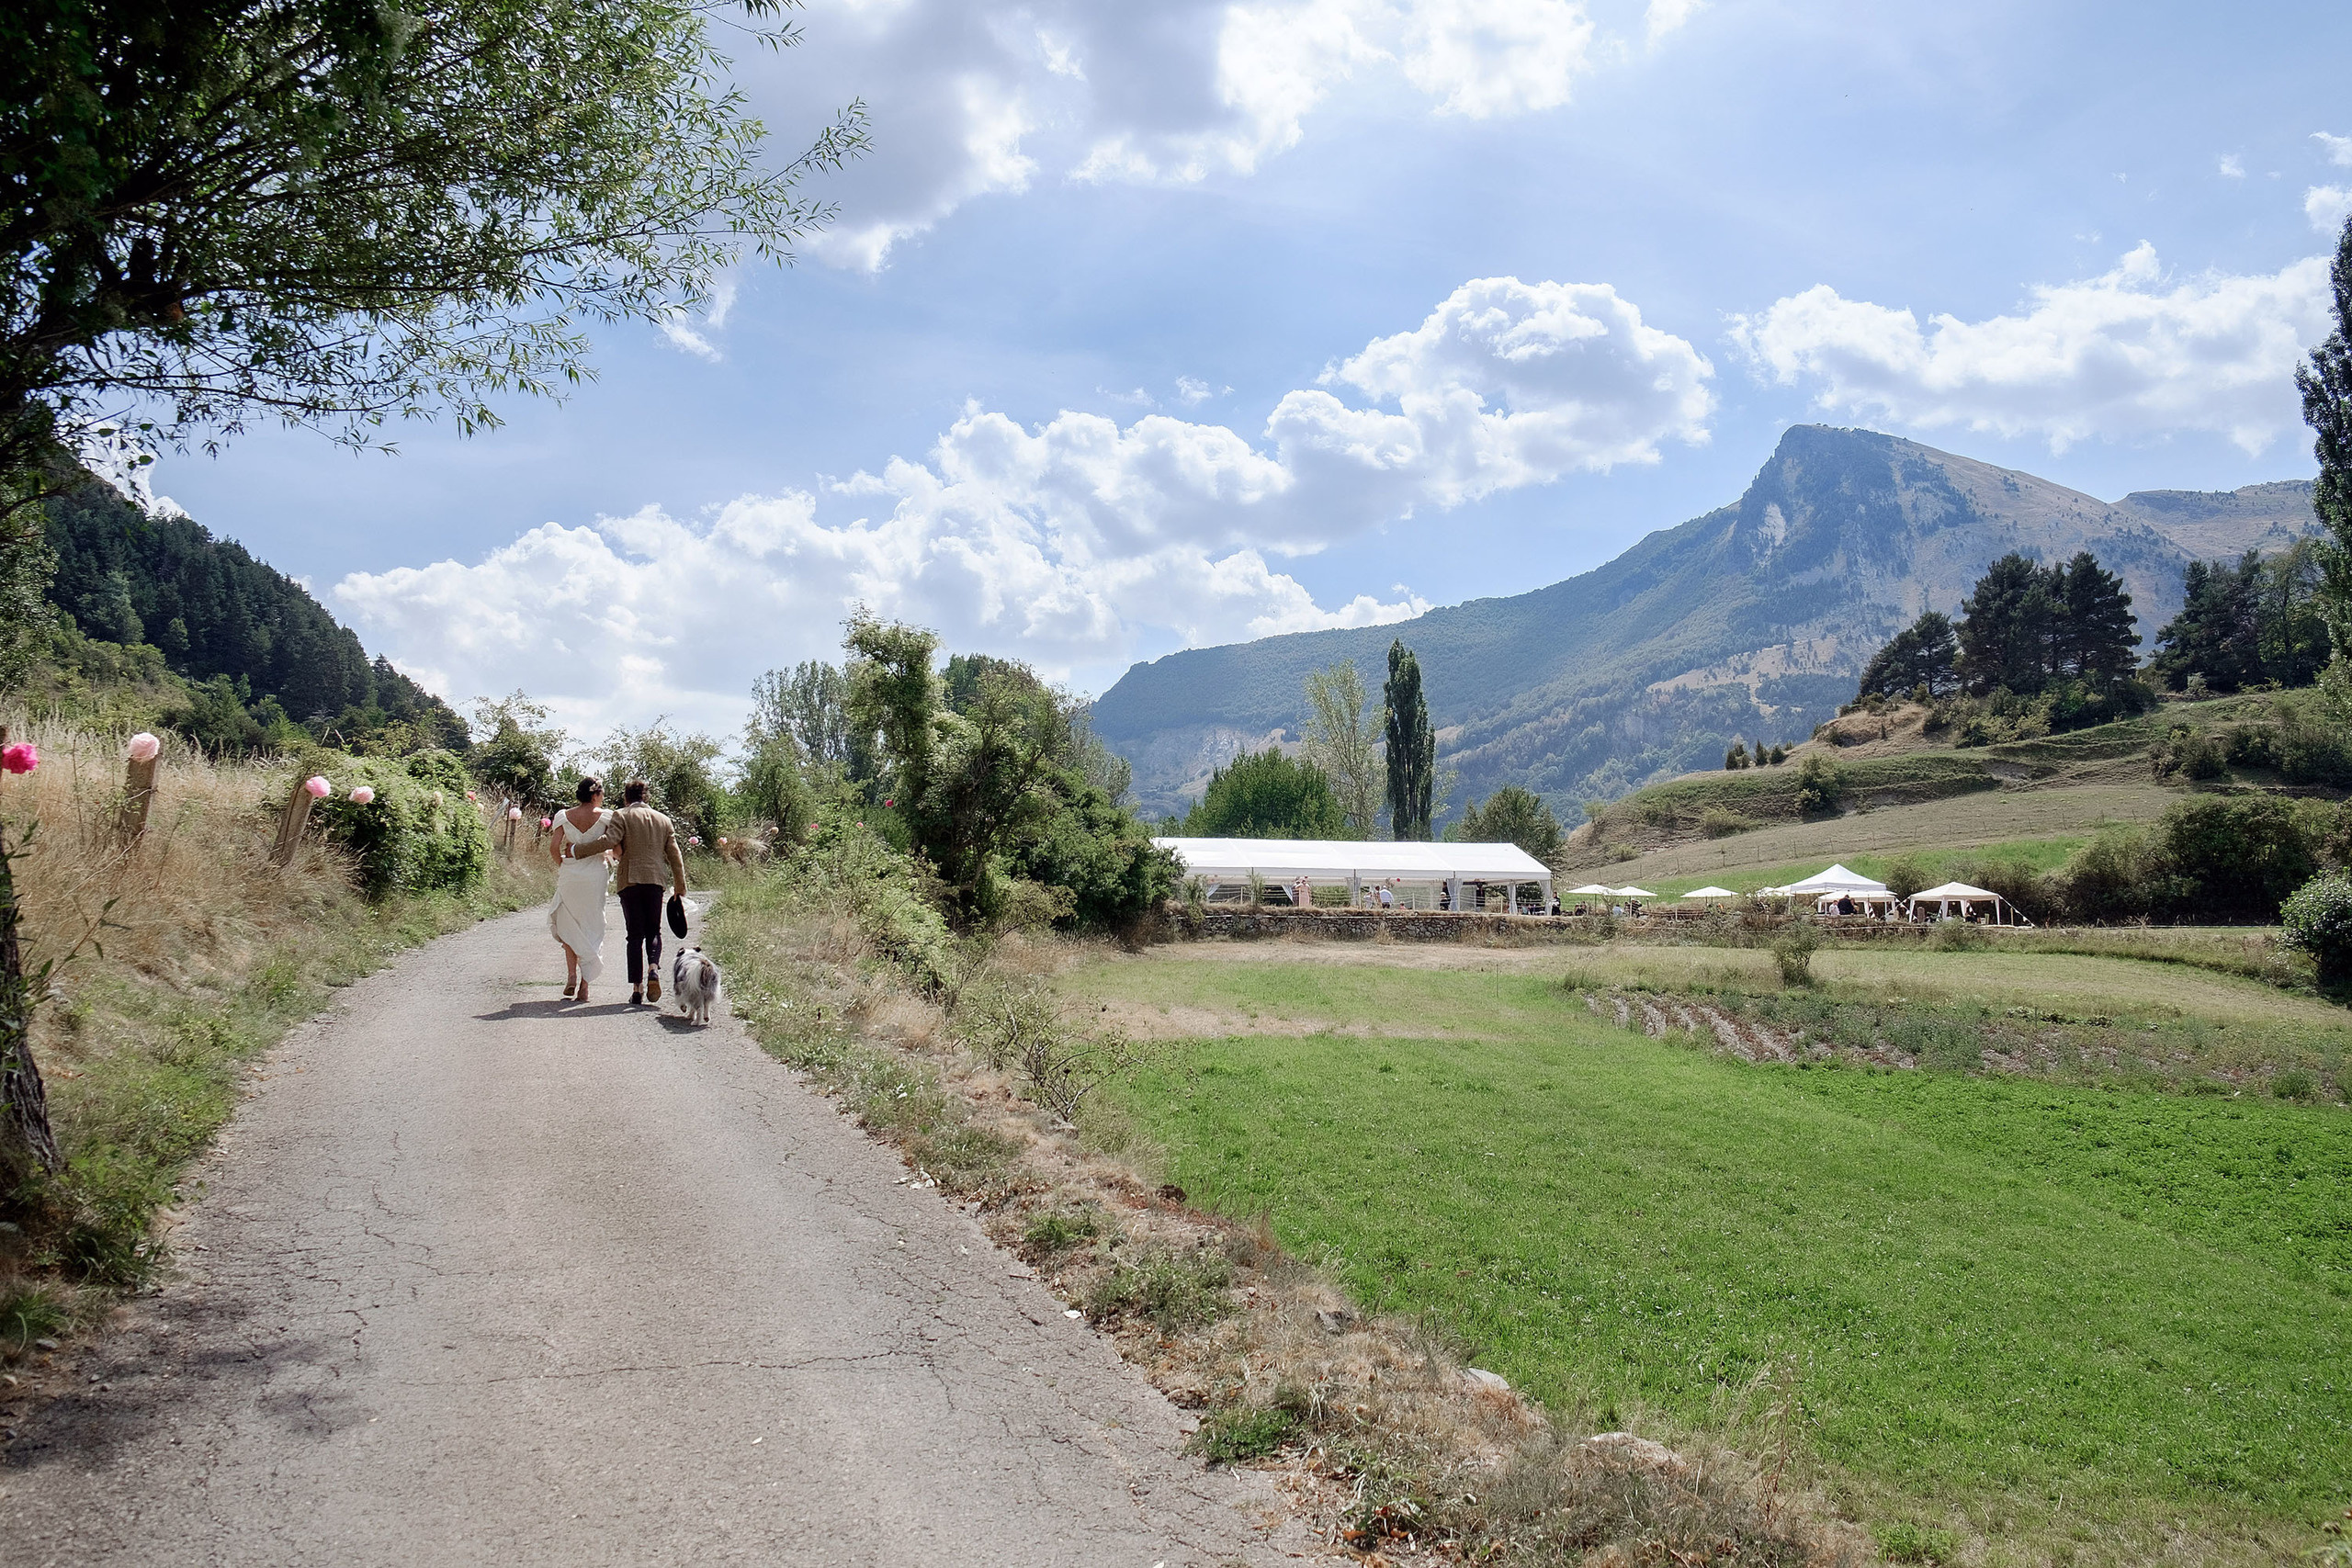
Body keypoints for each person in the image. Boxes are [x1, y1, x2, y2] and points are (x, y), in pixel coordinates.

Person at [567, 778, 689, 1007]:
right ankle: (653, 968)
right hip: (655, 881)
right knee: (654, 930)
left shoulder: (621, 815)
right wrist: (680, 886)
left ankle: (637, 988)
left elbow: (609, 841)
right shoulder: (663, 819)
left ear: (626, 797)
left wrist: (577, 850)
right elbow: (675, 855)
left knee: (634, 935)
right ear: (646, 797)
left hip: (630, 881)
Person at [548, 776, 612, 1003]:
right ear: (595, 795)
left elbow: (554, 847)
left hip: (571, 875)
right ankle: (585, 987)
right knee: (592, 926)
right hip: (595, 875)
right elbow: (616, 847)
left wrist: (565, 865)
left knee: (569, 925)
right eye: (602, 794)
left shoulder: (563, 816)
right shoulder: (606, 817)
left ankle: (572, 975)